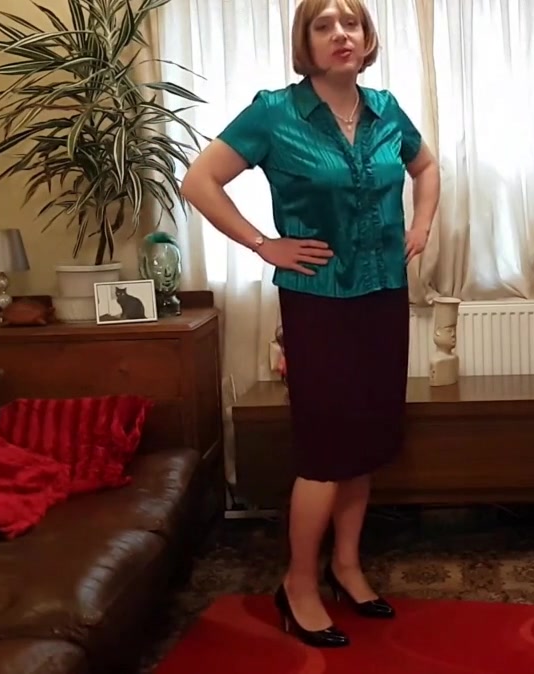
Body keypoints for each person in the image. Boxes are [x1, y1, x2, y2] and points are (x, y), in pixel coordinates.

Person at [180, 0, 440, 649]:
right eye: (323, 25)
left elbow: (426, 166)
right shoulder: (275, 112)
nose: (340, 34)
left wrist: (421, 225)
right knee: (325, 450)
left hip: (383, 295)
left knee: (365, 442)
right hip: (318, 301)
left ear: (367, 37)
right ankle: (298, 583)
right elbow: (199, 182)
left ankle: (346, 568)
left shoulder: (386, 110)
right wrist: (263, 244)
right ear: (307, 41)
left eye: (351, 23)